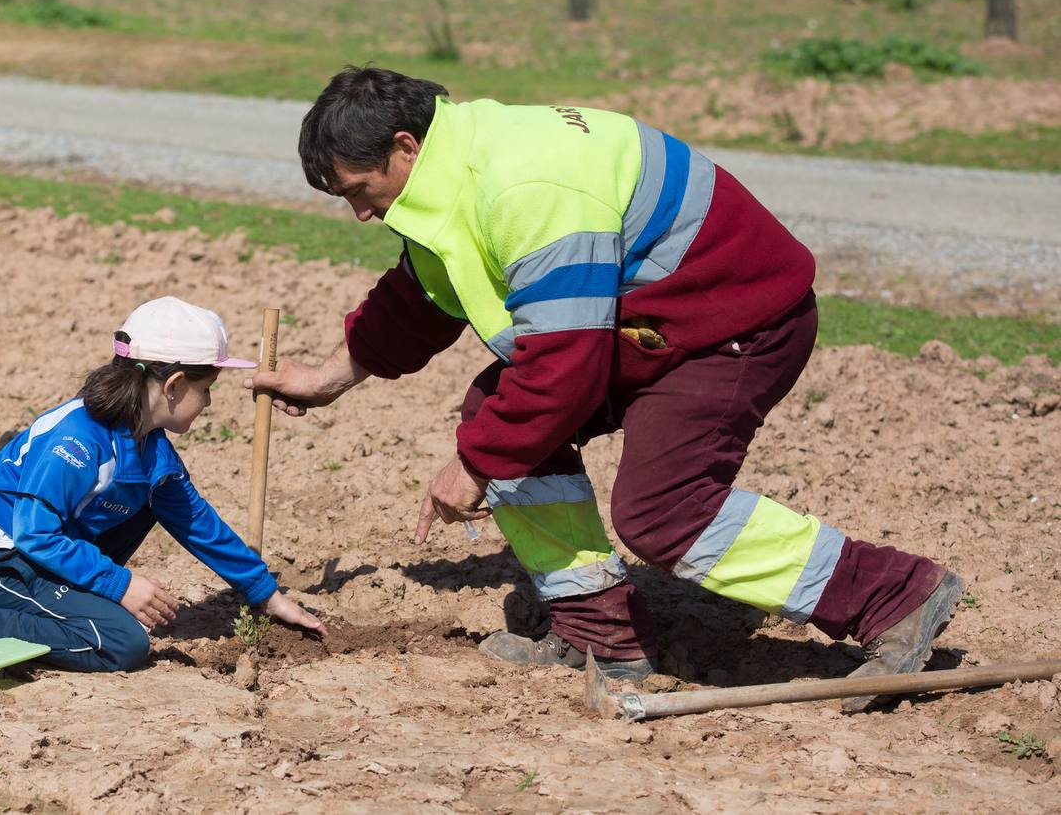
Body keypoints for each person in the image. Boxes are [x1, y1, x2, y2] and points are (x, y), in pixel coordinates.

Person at [248, 66, 960, 712]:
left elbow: (564, 364)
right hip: (650, 328)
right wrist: (330, 378)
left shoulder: (524, 185)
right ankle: (601, 635)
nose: (362, 214)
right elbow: (423, 293)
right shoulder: (455, 164)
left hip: (735, 323)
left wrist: (475, 463)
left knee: (662, 513)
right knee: (500, 420)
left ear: (403, 147)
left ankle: (893, 596)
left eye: (358, 192)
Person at [0, 297, 325, 671]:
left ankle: (58, 606)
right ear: (173, 385)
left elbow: (196, 522)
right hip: (3, 560)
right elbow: (35, 534)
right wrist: (120, 584)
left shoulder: (153, 449)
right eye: (205, 390)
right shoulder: (76, 440)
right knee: (122, 642)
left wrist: (266, 594)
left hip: (46, 554)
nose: (208, 403)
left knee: (151, 502)